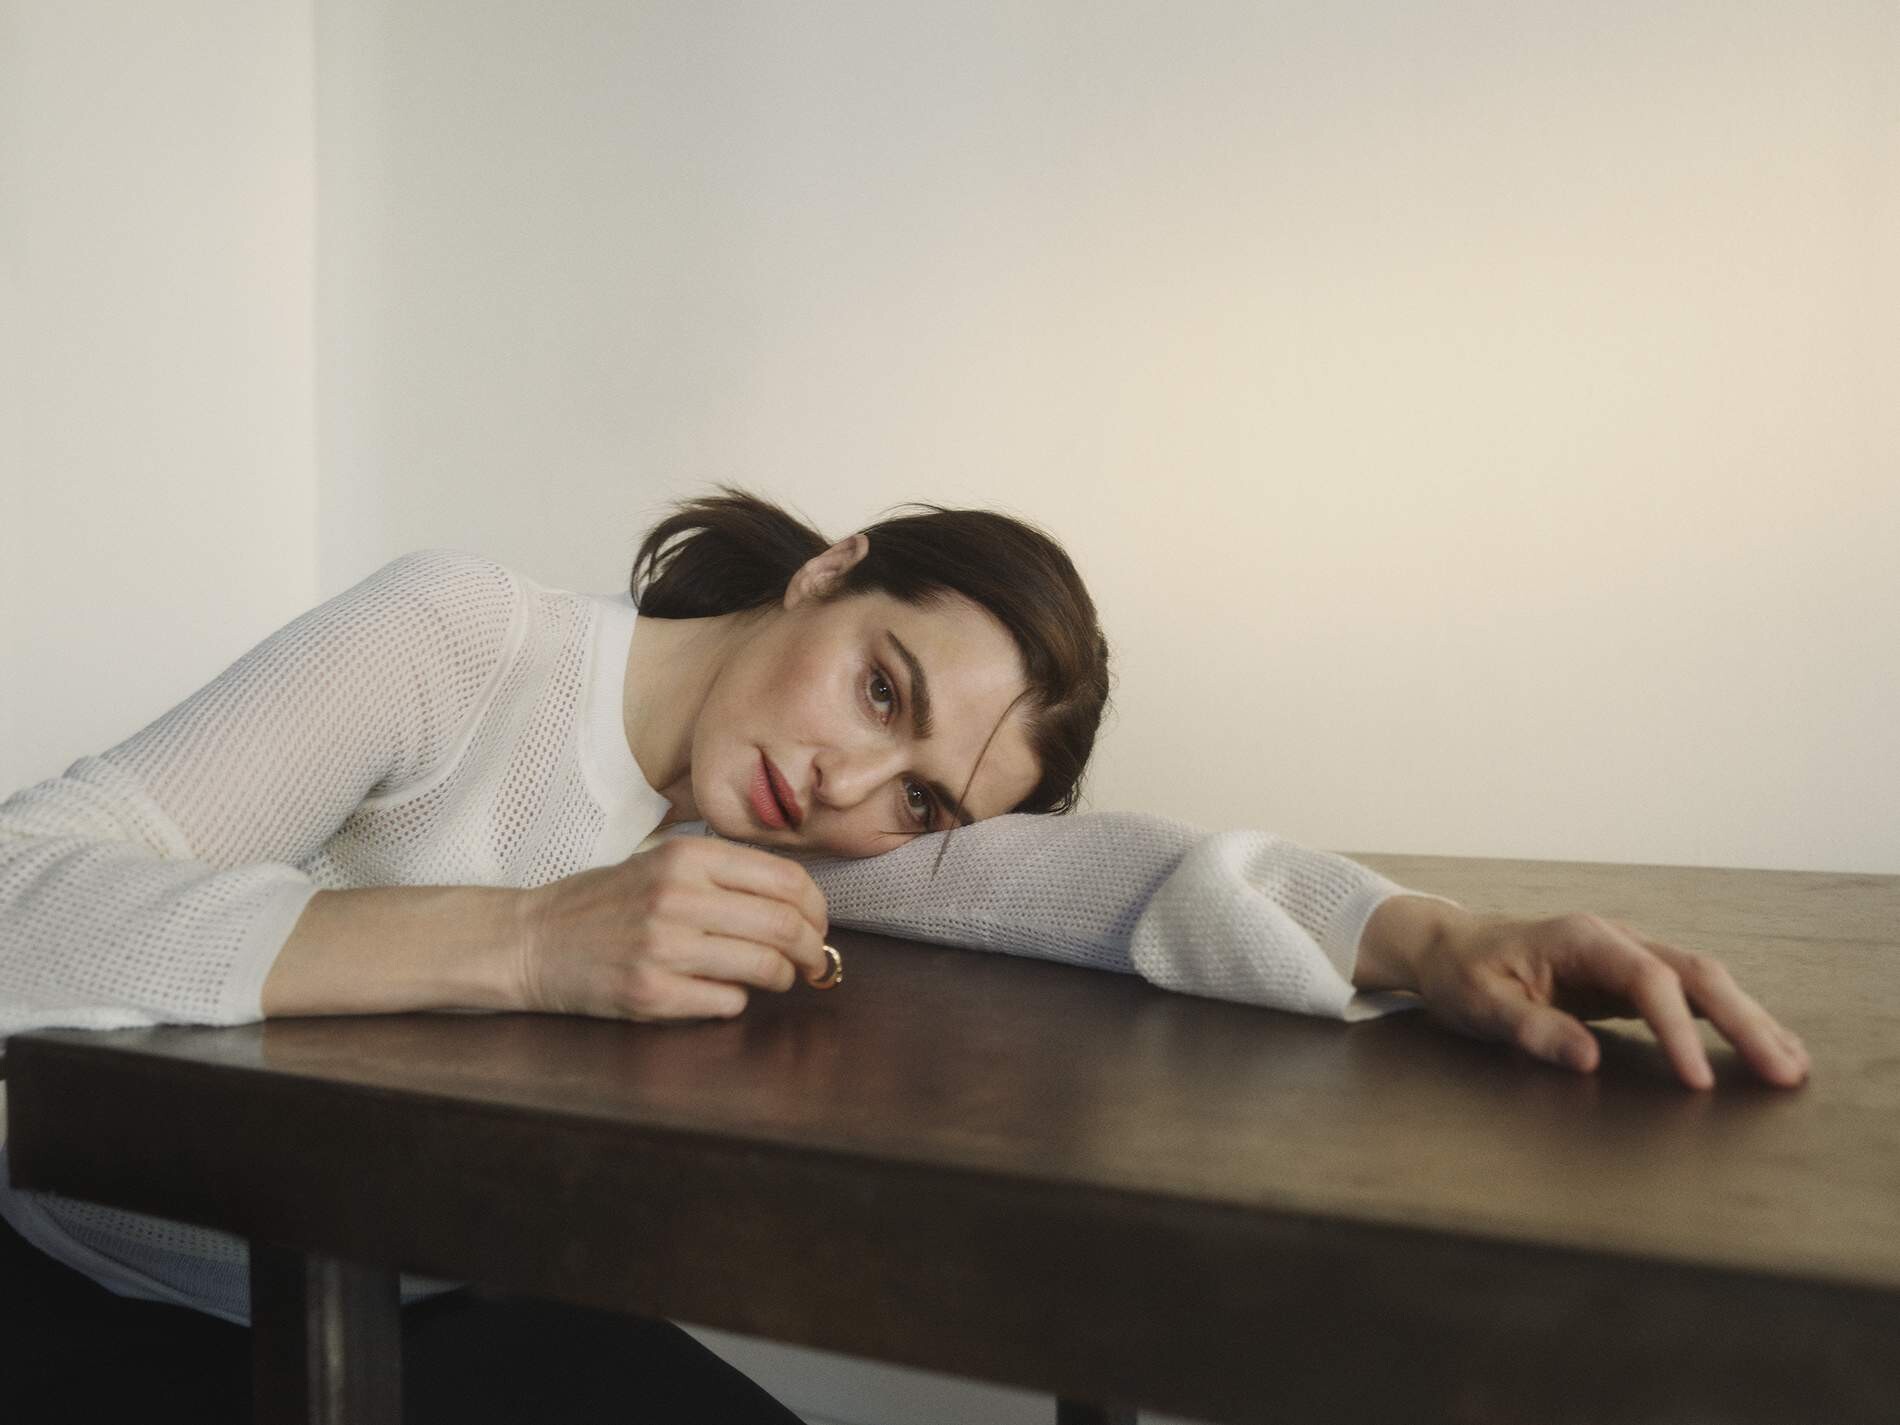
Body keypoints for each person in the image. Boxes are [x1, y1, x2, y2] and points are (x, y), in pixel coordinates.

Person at [0, 487, 1808, 1421]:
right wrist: (530, 939)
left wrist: (1432, 934)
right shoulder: (462, 639)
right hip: (90, 1294)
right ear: (828, 570)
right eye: (882, 686)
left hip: (431, 1309)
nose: (855, 787)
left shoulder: (781, 837)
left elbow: (1106, 878)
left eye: (923, 797)